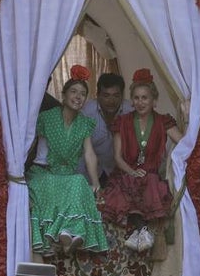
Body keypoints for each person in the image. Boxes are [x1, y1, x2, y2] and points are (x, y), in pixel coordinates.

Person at [28, 65, 108, 254]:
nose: (78, 97)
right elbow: (29, 145)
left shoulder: (84, 124)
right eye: (73, 92)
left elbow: (89, 153)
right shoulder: (45, 118)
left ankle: (69, 234)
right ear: (63, 96)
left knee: (80, 181)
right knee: (50, 183)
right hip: (43, 173)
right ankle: (64, 238)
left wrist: (96, 183)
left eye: (82, 94)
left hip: (66, 174)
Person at [100, 70, 182, 252]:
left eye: (145, 98)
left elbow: (184, 143)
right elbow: (117, 157)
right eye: (136, 98)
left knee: (151, 181)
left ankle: (141, 232)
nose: (140, 102)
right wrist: (131, 171)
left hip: (151, 175)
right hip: (125, 172)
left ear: (154, 100)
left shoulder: (163, 121)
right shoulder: (122, 122)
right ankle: (142, 230)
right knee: (131, 183)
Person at [80, 72, 131, 181]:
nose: (111, 101)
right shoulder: (87, 113)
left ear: (122, 95)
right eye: (106, 95)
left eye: (116, 96)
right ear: (98, 95)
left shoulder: (131, 112)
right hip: (93, 172)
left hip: (124, 172)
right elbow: (79, 152)